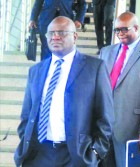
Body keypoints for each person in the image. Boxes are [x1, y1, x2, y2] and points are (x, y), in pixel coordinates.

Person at [14, 16, 113, 167]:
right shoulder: (36, 70)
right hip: (39, 154)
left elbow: (105, 117)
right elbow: (26, 115)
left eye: (61, 32)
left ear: (75, 36)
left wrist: (95, 152)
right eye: (51, 33)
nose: (55, 37)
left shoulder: (95, 68)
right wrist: (26, 139)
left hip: (76, 155)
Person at [99, 11, 140, 167]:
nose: (120, 33)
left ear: (136, 28)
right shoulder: (106, 52)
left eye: (124, 29)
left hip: (134, 130)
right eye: (117, 30)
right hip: (104, 130)